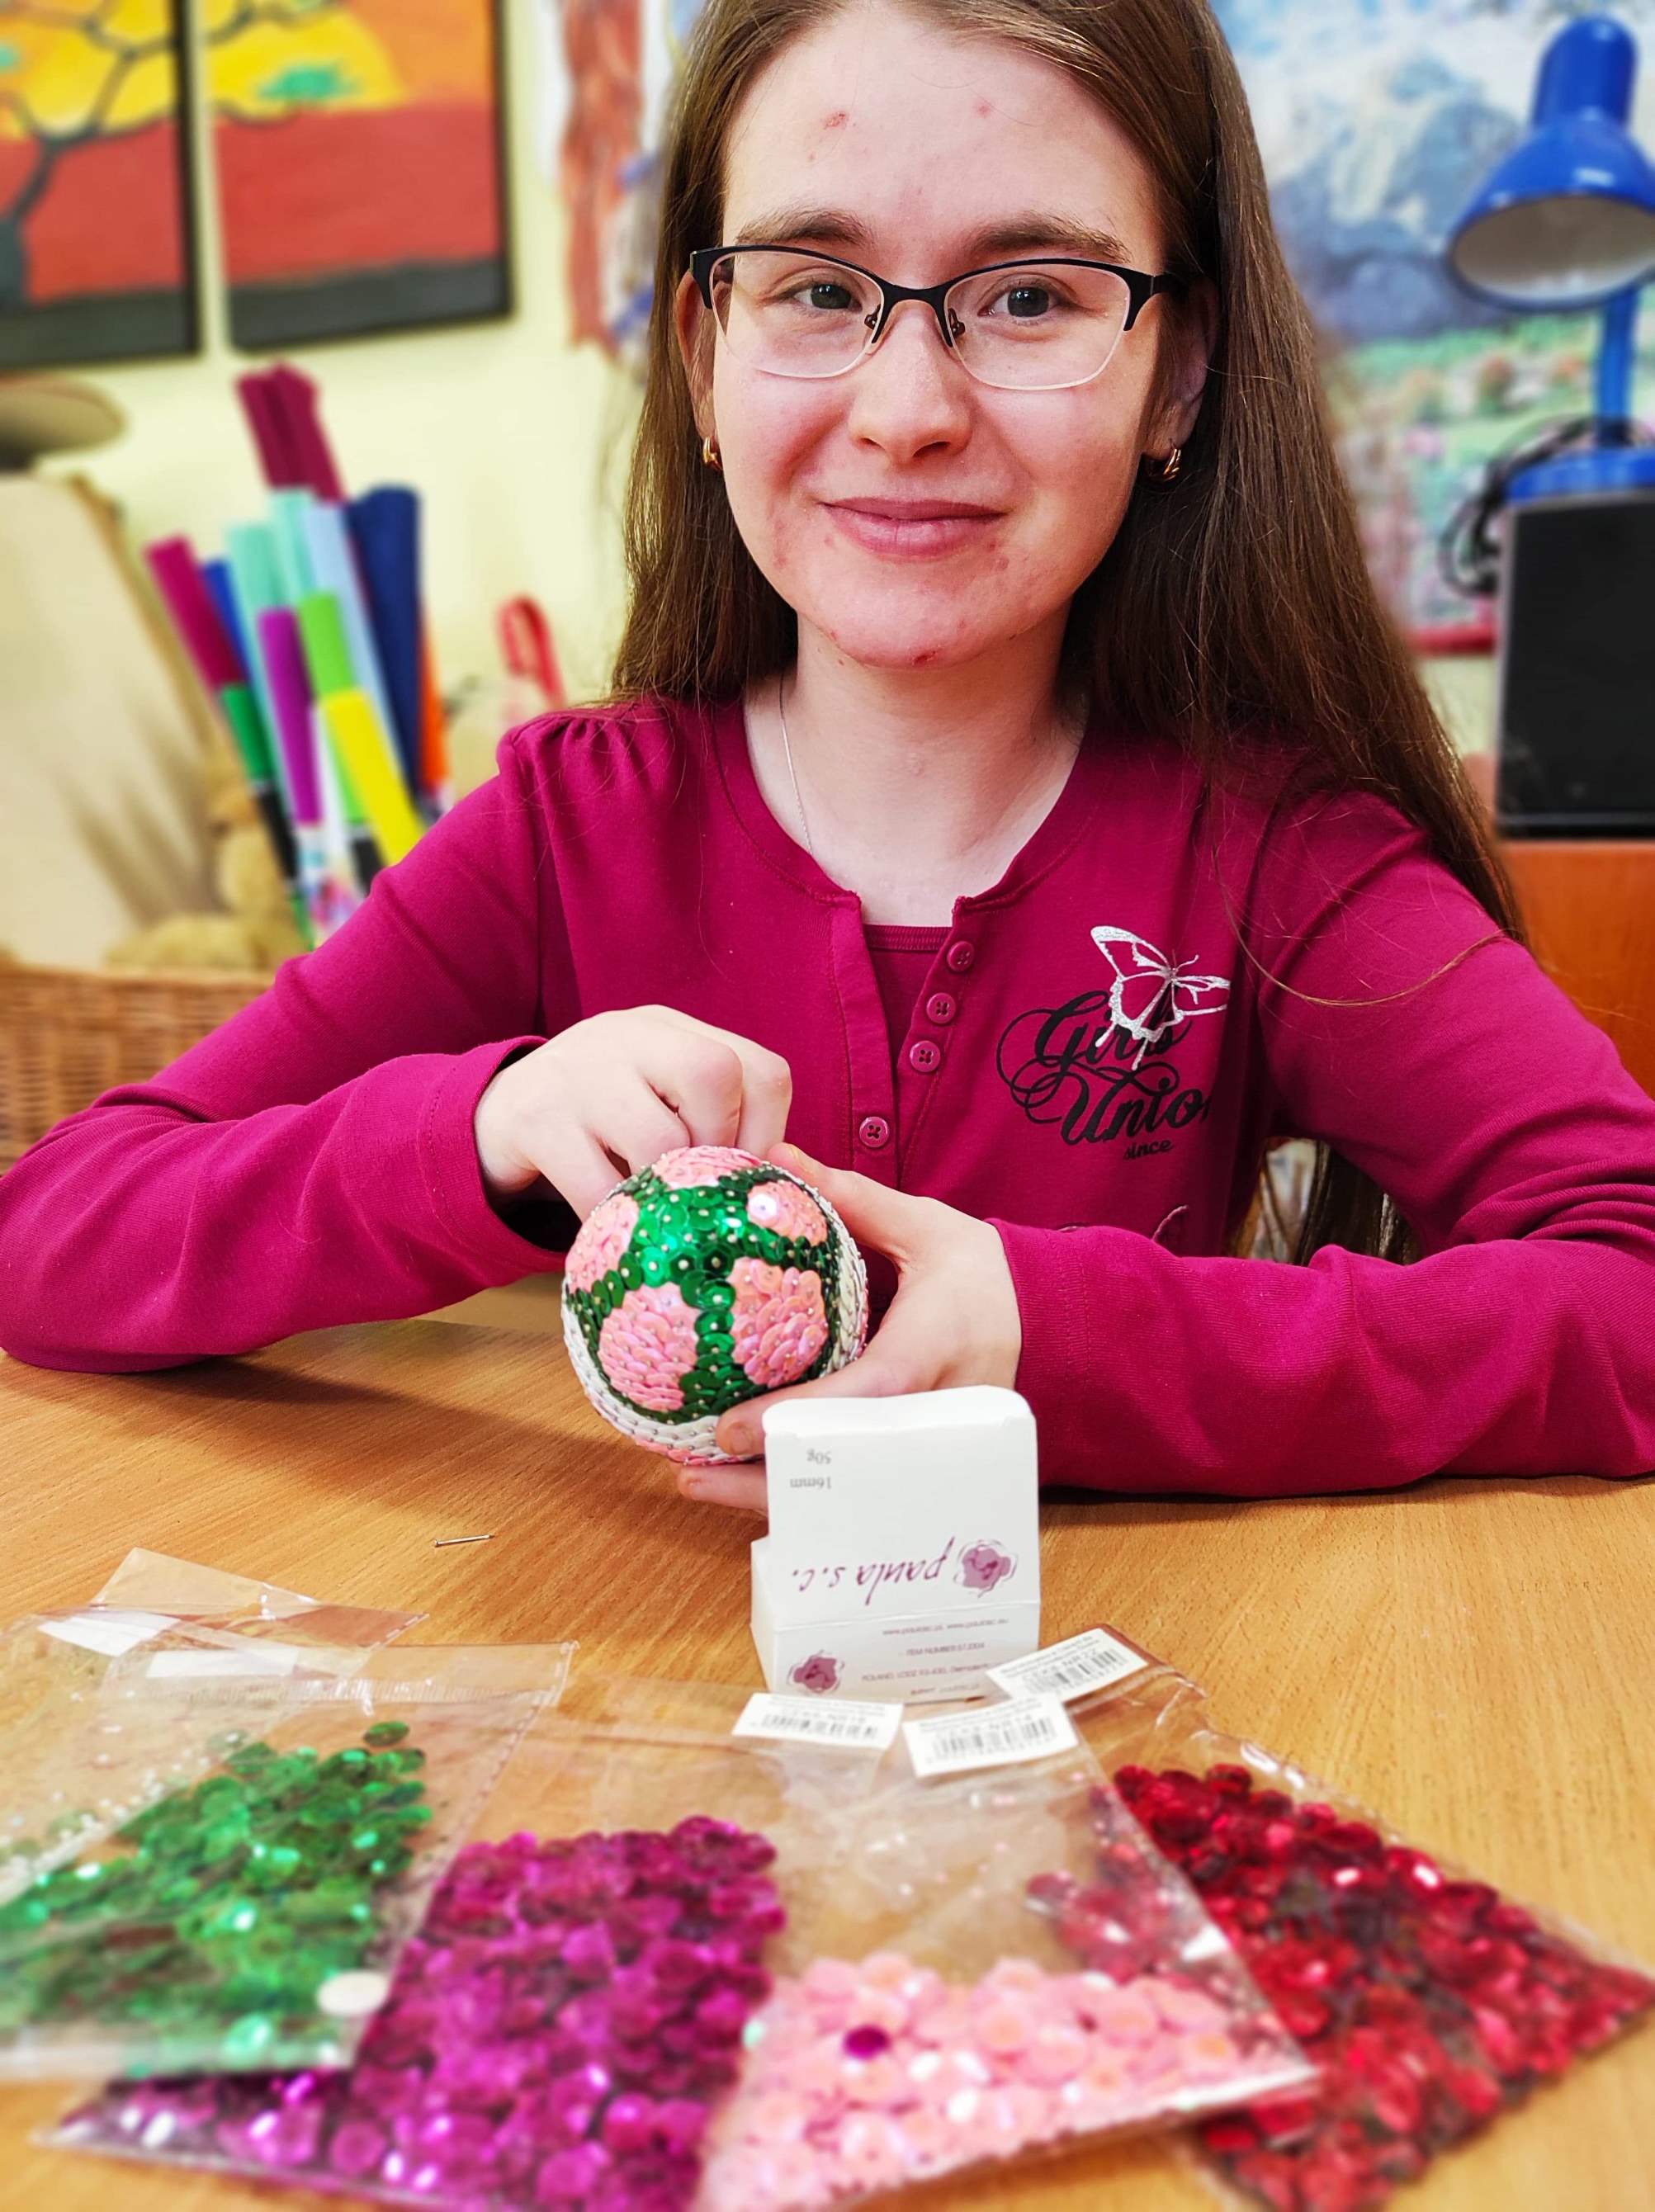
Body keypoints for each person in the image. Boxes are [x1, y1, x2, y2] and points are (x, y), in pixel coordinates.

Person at [3, 0, 1653, 1511]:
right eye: (813, 289)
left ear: (1179, 380)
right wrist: (483, 1125)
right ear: (702, 358)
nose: (906, 407)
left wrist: (1060, 1333)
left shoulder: (1276, 850)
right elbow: (55, 1228)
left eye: (1029, 296)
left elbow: (1632, 1279)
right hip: (637, 1684)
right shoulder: (568, 829)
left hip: (1122, 1691)